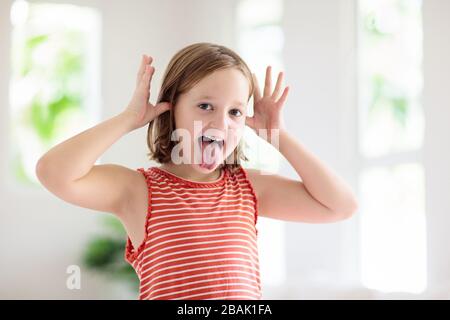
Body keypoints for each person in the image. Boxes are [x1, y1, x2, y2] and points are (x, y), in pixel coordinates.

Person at [36, 42, 358, 300]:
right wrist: (129, 118)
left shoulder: (249, 188)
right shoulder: (137, 190)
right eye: (205, 106)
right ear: (171, 106)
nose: (221, 123)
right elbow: (54, 172)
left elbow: (340, 206)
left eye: (235, 111)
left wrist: (279, 135)